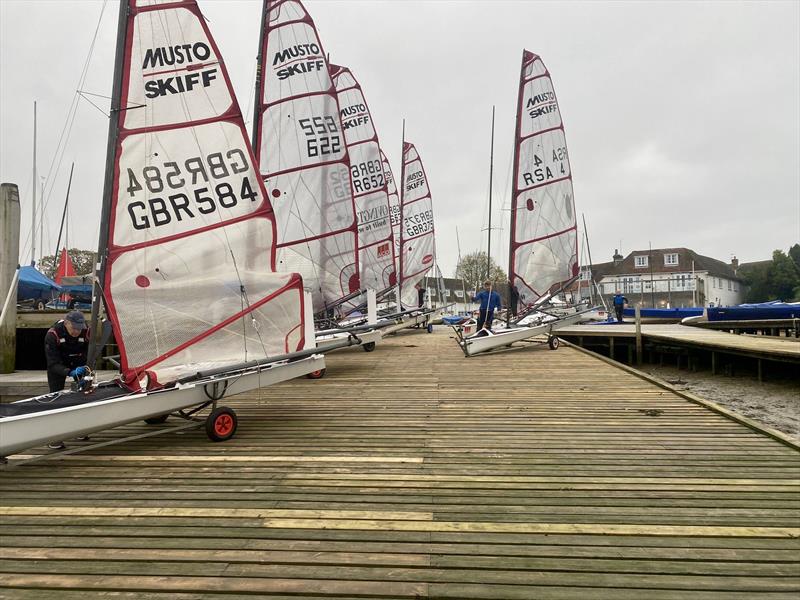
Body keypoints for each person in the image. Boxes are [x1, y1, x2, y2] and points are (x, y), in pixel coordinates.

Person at [44, 310, 91, 449]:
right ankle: (54, 437)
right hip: (59, 365)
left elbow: (90, 353)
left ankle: (80, 429)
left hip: (79, 363)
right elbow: (52, 364)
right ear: (66, 323)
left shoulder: (86, 332)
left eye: (79, 328)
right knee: (55, 398)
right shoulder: (52, 335)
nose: (77, 331)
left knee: (84, 395)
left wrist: (85, 370)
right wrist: (69, 372)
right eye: (74, 328)